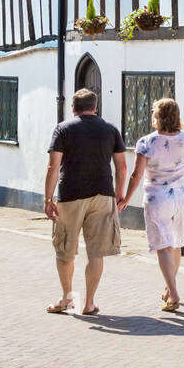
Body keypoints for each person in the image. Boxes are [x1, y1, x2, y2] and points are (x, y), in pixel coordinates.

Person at [119, 98, 184, 312]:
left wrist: (127, 198)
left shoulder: (146, 142)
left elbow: (136, 174)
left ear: (156, 117)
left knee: (163, 246)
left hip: (158, 198)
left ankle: (174, 293)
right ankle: (170, 289)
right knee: (177, 244)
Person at [44, 88, 126, 315]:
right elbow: (122, 166)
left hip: (71, 195)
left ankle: (67, 298)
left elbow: (53, 167)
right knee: (96, 252)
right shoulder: (110, 130)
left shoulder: (63, 129)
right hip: (103, 193)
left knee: (65, 249)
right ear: (95, 107)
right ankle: (89, 303)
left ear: (73, 108)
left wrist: (48, 198)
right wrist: (120, 194)